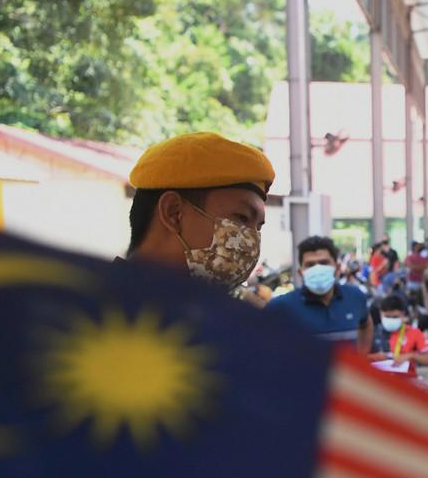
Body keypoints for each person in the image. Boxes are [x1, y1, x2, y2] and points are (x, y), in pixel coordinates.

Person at [125, 132, 272, 290]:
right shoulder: (102, 306)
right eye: (242, 217)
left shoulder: (209, 311)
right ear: (173, 213)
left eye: (258, 228)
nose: (252, 245)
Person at [265, 236, 373, 354]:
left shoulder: (355, 296)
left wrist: (362, 356)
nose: (317, 268)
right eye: (310, 265)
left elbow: (366, 324)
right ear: (301, 273)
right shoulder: (281, 306)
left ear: (336, 268)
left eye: (324, 262)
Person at [369, 294, 428, 377]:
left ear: (403, 314)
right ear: (380, 313)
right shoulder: (371, 332)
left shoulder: (414, 333)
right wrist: (374, 357)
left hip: (404, 378)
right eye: (387, 316)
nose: (391, 320)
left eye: (395, 317)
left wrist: (411, 356)